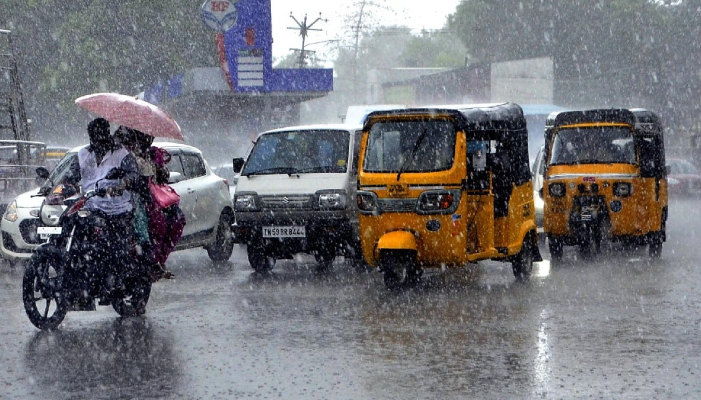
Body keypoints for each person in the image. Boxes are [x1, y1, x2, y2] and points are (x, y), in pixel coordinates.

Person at [68, 118, 140, 298]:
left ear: (106, 134)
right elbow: (70, 176)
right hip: (91, 206)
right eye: (93, 136)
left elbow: (133, 175)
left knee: (112, 248)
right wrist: (56, 189)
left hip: (118, 209)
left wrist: (121, 185)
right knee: (74, 232)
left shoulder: (122, 154)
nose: (97, 141)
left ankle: (115, 281)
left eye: (100, 136)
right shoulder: (83, 154)